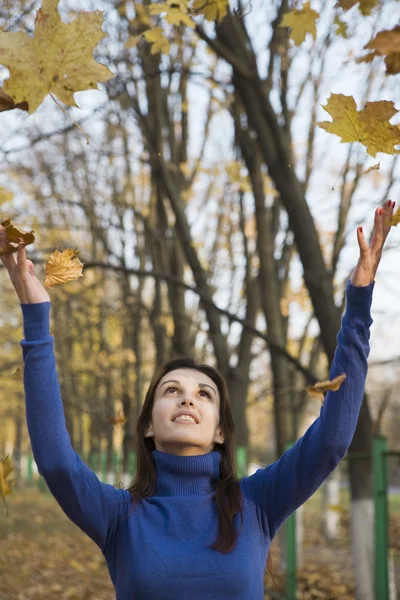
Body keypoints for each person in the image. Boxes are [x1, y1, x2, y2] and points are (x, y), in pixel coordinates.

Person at [0, 201, 394, 599]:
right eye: (171, 391)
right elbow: (54, 460)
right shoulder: (120, 516)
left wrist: (358, 304)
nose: (188, 400)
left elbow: (332, 440)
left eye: (204, 395)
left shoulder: (256, 502)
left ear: (220, 430)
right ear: (150, 424)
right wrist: (35, 313)